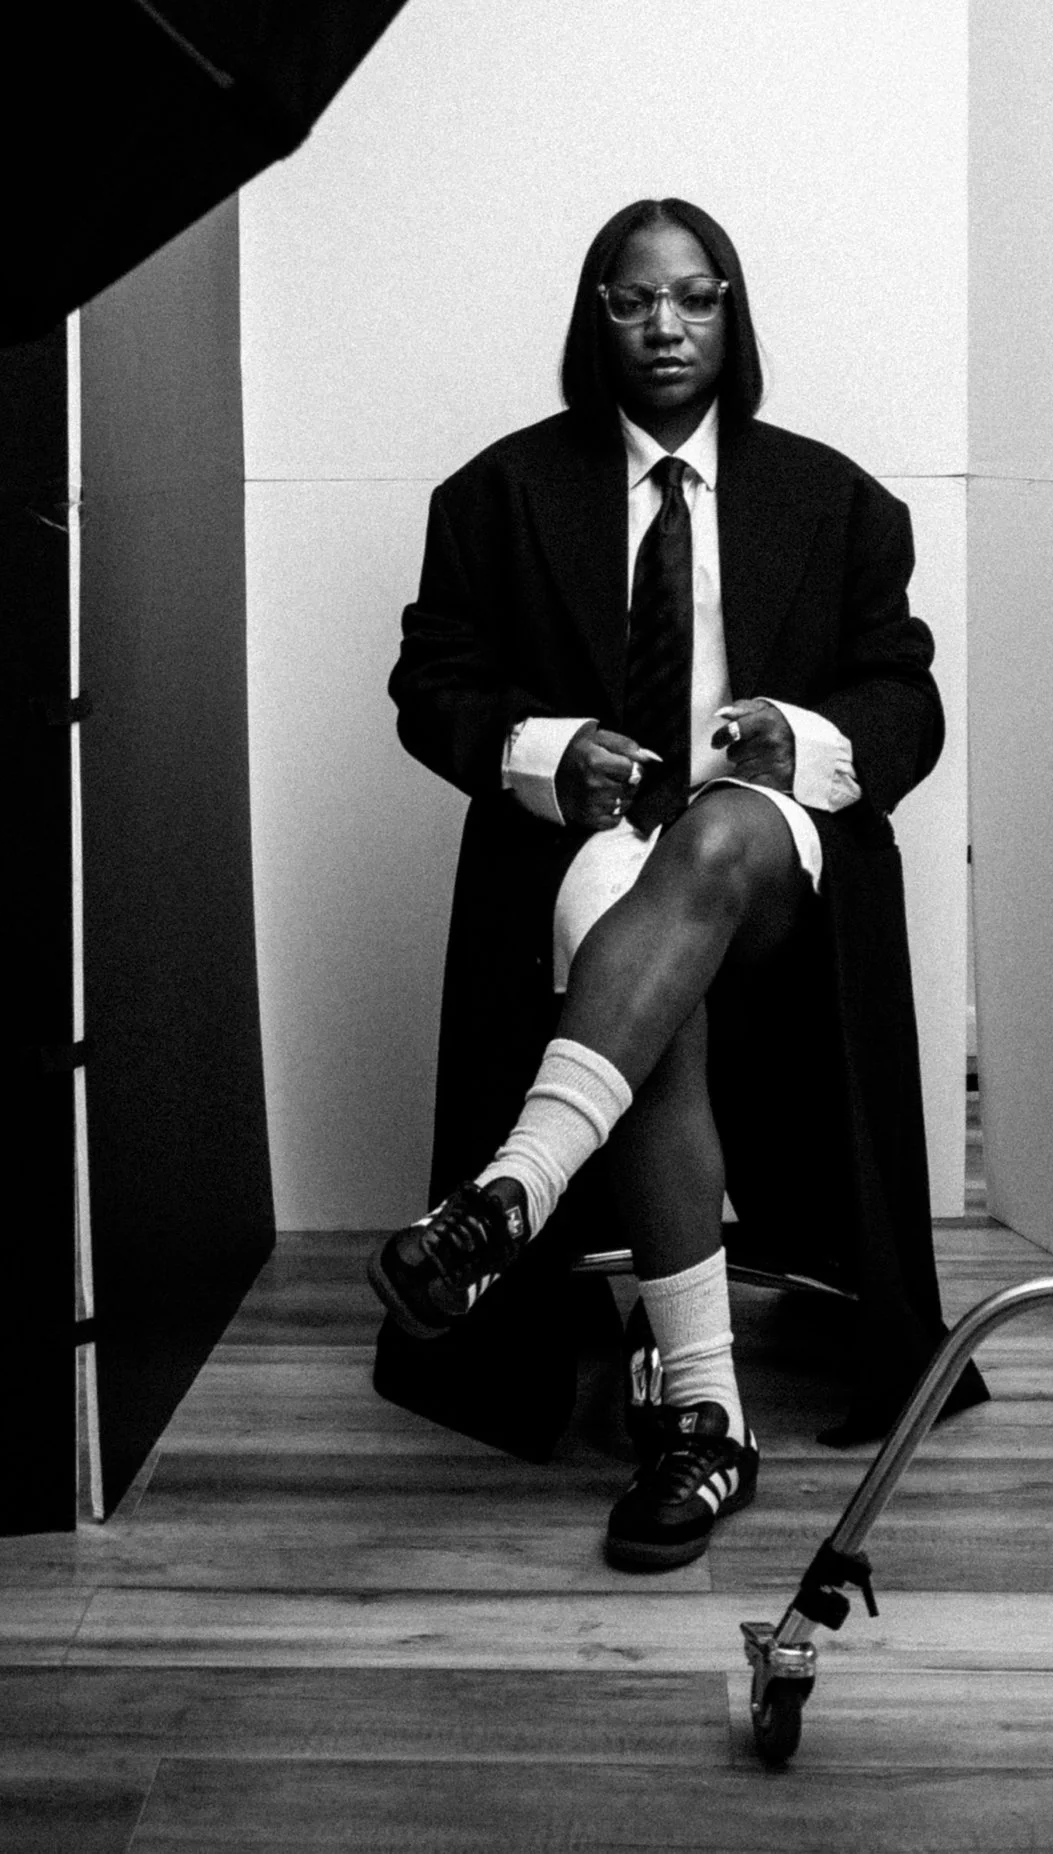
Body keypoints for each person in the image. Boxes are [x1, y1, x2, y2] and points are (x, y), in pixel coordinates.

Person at [371, 195, 984, 1570]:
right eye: (636, 299)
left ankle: (509, 1193)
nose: (667, 325)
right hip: (591, 852)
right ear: (595, 315)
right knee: (661, 975)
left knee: (713, 839)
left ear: (732, 311)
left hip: (770, 852)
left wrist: (807, 742)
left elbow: (906, 696)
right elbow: (432, 685)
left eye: (697, 297)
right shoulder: (495, 496)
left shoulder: (839, 502)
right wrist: (541, 748)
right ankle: (709, 1418)